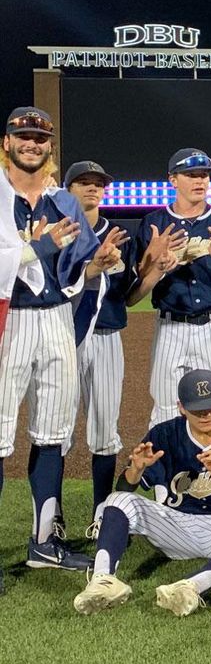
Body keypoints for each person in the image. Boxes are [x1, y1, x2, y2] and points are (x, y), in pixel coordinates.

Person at [0, 106, 101, 572]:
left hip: (56, 318)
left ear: (49, 147)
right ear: (7, 143)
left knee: (53, 433)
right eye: (23, 135)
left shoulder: (63, 201)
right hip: (9, 320)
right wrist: (40, 246)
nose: (32, 144)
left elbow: (75, 269)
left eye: (40, 138)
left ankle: (43, 543)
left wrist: (91, 265)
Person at [73, 371, 211, 617]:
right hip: (175, 526)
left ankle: (191, 587)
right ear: (181, 408)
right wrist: (135, 470)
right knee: (115, 501)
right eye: (198, 409)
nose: (206, 414)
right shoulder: (164, 435)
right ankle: (103, 581)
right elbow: (123, 492)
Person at [130, 148, 211, 426]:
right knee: (165, 407)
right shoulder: (154, 224)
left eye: (205, 175)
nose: (200, 181)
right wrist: (157, 265)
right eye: (192, 175)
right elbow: (133, 295)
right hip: (171, 327)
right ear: (173, 180)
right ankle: (166, 469)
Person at [65, 160, 135, 513]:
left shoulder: (119, 234)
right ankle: (53, 520)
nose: (92, 188)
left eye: (98, 183)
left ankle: (100, 514)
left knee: (105, 430)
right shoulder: (58, 232)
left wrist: (144, 266)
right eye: (83, 182)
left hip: (107, 335)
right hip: (64, 336)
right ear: (69, 189)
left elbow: (127, 293)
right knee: (57, 429)